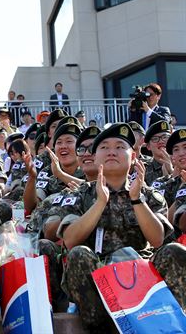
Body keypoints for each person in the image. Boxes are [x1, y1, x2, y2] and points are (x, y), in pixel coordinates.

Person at [57, 123, 185, 332]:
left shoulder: (149, 194)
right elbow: (70, 239)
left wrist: (136, 199)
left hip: (142, 276)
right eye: (104, 147)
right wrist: (100, 202)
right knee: (78, 254)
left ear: (133, 156)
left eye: (119, 146)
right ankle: (101, 327)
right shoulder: (80, 194)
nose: (112, 152)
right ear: (95, 158)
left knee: (175, 251)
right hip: (99, 278)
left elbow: (157, 239)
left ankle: (169, 325)